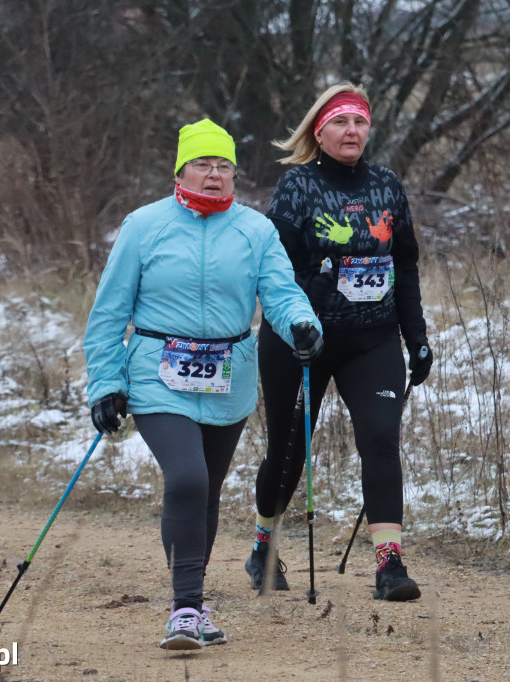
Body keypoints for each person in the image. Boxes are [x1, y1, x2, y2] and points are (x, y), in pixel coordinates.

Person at [83, 119, 323, 650]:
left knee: (206, 492)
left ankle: (191, 600)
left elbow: (282, 294)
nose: (215, 175)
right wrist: (105, 382)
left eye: (224, 166)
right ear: (181, 169)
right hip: (156, 372)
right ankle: (186, 608)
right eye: (203, 165)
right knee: (187, 479)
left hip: (228, 377)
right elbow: (108, 313)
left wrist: (303, 325)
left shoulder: (256, 231)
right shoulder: (144, 226)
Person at [245, 83, 433, 601]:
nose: (352, 132)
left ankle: (389, 565)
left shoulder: (387, 185)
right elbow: (271, 271)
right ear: (319, 131)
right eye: (341, 123)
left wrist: (416, 337)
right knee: (288, 452)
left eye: (360, 123)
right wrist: (313, 291)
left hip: (373, 340)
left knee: (380, 440)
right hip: (301, 340)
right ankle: (264, 544)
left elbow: (405, 263)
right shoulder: (297, 186)